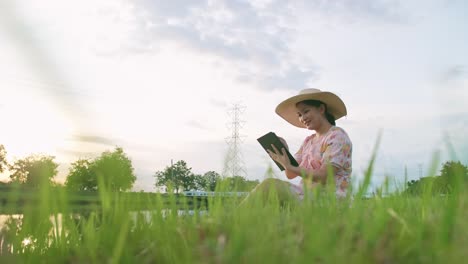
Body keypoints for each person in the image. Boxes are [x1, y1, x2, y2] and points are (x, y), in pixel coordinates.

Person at [244, 88, 352, 205]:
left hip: (329, 200)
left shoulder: (337, 136)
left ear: (321, 109)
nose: (302, 118)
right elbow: (290, 174)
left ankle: (228, 220)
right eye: (300, 115)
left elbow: (323, 176)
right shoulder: (308, 141)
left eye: (306, 111)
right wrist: (284, 153)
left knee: (269, 185)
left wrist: (290, 166)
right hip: (306, 196)